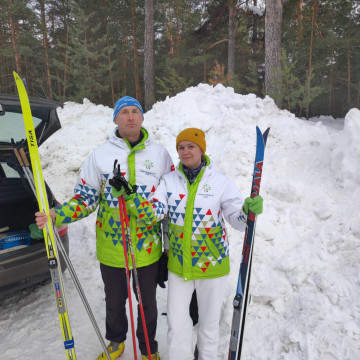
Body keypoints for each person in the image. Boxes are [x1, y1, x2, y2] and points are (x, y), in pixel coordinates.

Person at [35, 96, 173, 360]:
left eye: (135, 112)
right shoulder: (99, 156)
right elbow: (85, 199)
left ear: (142, 118)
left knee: (148, 305)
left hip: (148, 247)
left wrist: (168, 245)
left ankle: (148, 349)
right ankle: (116, 342)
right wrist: (57, 214)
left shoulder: (160, 156)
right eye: (124, 112)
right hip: (112, 247)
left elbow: (168, 201)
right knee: (114, 301)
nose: (130, 117)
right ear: (115, 119)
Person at [115, 128, 263, 360]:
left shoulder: (219, 182)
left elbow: (237, 220)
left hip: (211, 266)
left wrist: (246, 211)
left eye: (191, 146)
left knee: (208, 326)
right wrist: (131, 196)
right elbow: (154, 212)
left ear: (201, 149)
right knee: (177, 324)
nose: (185, 151)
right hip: (179, 266)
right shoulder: (169, 181)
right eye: (181, 147)